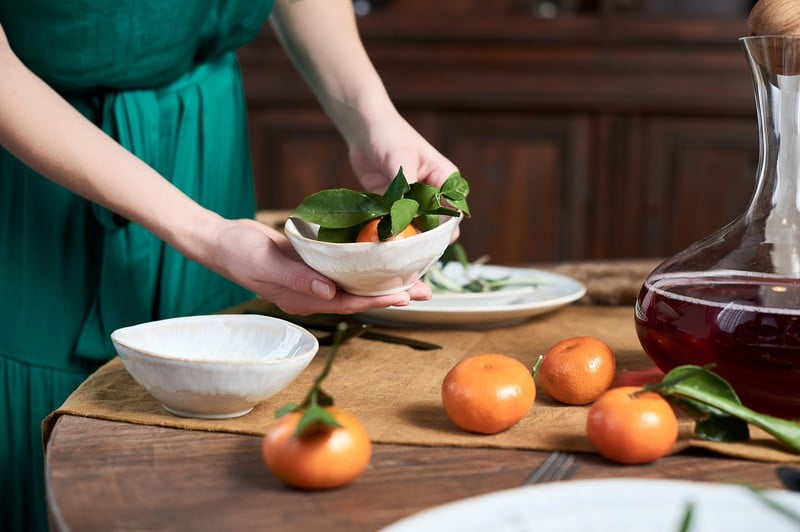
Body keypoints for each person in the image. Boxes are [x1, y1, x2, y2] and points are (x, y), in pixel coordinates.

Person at [0, 1, 459, 530]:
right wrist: (208, 234)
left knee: (221, 448)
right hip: (39, 180)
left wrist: (371, 118)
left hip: (206, 147)